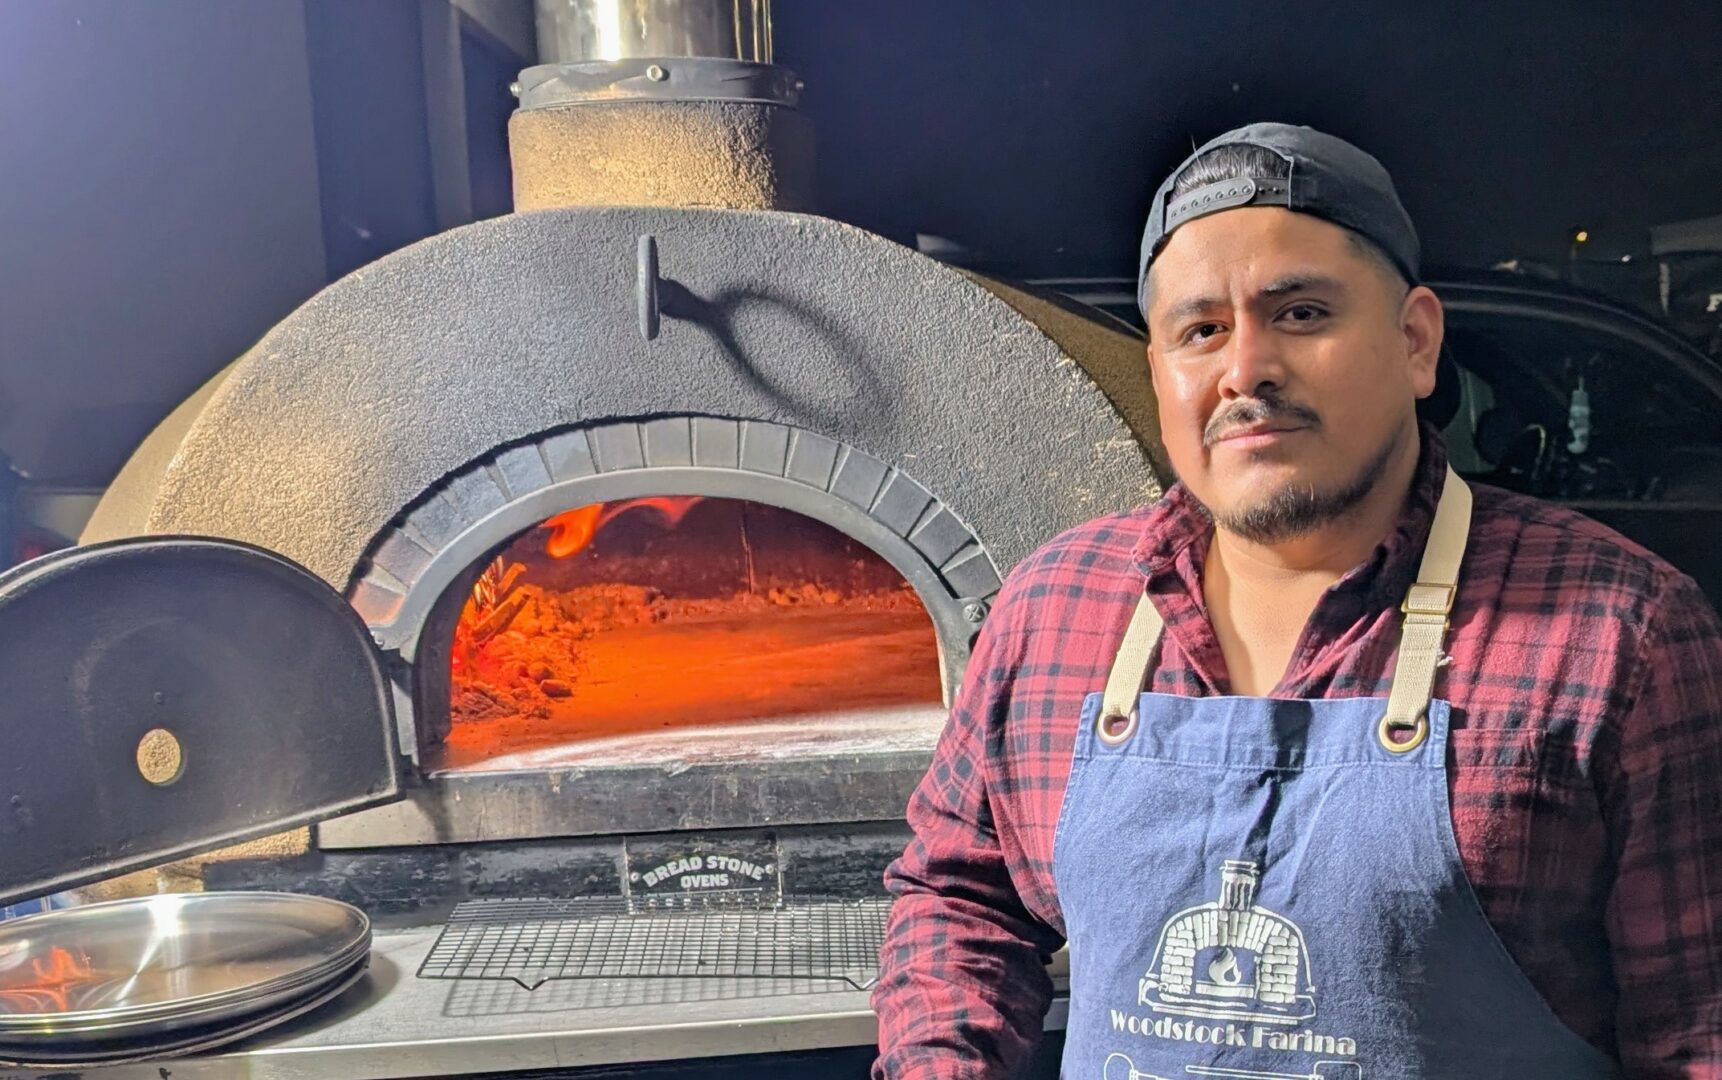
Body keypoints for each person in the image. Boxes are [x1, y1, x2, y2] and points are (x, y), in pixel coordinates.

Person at [871, 122, 1722, 1079]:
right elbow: (960, 898)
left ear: (1415, 342)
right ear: (1159, 375)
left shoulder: (1624, 633)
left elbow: (1700, 1033)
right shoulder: (1056, 605)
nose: (1246, 370)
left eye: (1302, 313)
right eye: (1201, 331)